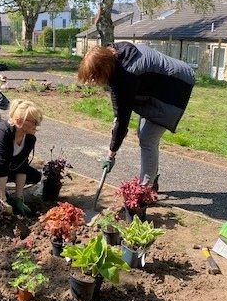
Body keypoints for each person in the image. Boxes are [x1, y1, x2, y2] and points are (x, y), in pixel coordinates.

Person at [77, 42, 195, 190]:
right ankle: (151, 178)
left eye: (95, 76)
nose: (94, 81)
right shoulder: (114, 53)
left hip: (175, 86)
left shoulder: (127, 75)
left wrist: (111, 154)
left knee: (147, 139)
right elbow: (119, 111)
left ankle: (144, 191)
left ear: (104, 68)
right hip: (155, 84)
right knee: (143, 134)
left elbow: (122, 120)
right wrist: (117, 123)